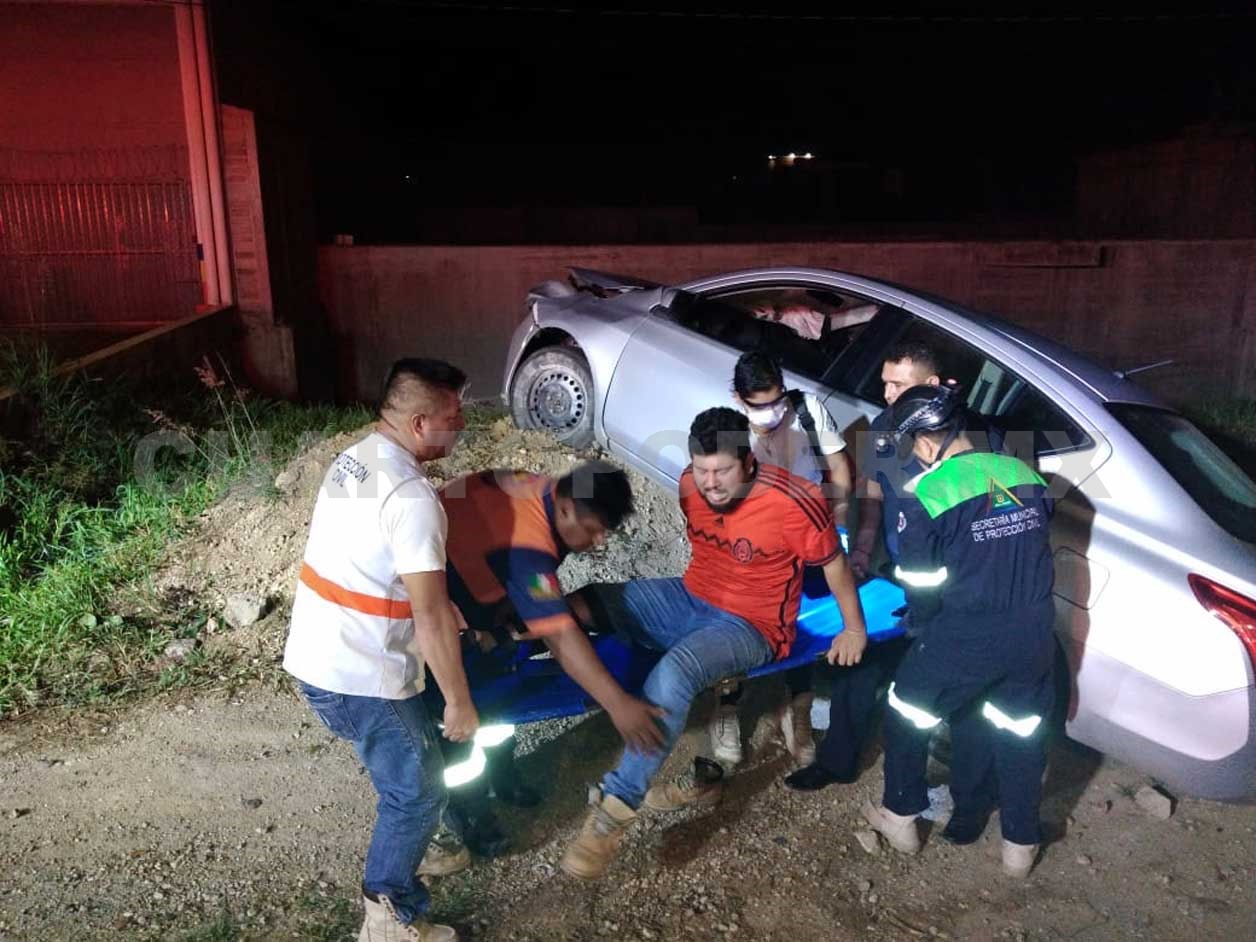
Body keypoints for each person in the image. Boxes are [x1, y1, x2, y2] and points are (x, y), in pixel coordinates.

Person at [558, 407, 868, 881]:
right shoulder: (690, 485)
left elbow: (834, 565)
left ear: (748, 461)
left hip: (753, 624)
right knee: (584, 602)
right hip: (689, 599)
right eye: (702, 470)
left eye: (721, 471)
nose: (710, 483)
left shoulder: (793, 501)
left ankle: (614, 810)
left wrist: (854, 629)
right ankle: (497, 649)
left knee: (675, 672)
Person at [282, 358, 473, 942]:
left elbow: (368, 559)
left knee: (406, 777)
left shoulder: (357, 457)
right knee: (418, 792)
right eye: (453, 415)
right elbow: (430, 616)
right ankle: (388, 917)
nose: (462, 425)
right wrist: (459, 702)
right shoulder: (413, 498)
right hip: (361, 675)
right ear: (419, 424)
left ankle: (409, 853)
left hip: (316, 654)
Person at [422, 462, 666, 870]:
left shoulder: (541, 490)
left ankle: (503, 776)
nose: (599, 540)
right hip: (433, 617)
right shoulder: (530, 546)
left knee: (498, 700)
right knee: (456, 720)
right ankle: (469, 813)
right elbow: (560, 634)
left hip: (476, 595)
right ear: (567, 508)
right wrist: (618, 704)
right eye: (594, 529)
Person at [860, 383, 1055, 879]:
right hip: (1035, 632)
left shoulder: (927, 494)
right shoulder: (1024, 474)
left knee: (906, 708)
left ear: (925, 442)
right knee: (1020, 731)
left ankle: (900, 815)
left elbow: (921, 581)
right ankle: (1020, 844)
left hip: (968, 631)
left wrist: (922, 627)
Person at [782, 340, 943, 791]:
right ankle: (838, 762)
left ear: (930, 385)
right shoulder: (884, 426)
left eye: (899, 385)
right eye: (885, 383)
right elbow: (872, 492)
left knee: (924, 686)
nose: (888, 394)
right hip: (896, 578)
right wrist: (864, 547)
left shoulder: (956, 437)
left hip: (945, 588)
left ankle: (919, 782)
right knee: (858, 661)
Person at [707, 351, 853, 769]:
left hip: (810, 533)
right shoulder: (726, 431)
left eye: (777, 400)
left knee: (807, 621)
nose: (773, 412)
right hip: (754, 543)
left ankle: (797, 705)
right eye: (760, 405)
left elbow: (839, 467)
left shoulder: (808, 411)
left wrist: (839, 518)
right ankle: (727, 705)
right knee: (739, 620)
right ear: (738, 398)